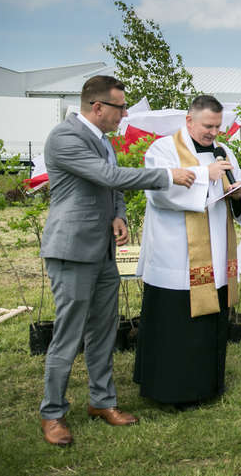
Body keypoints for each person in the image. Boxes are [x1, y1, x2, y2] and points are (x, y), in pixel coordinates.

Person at [39, 75, 196, 446]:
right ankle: (52, 413)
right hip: (72, 250)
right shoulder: (65, 138)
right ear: (97, 107)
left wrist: (119, 215)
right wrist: (166, 175)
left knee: (103, 331)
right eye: (120, 107)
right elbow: (107, 174)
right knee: (69, 334)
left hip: (104, 250)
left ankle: (102, 402)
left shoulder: (103, 141)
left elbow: (110, 188)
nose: (124, 114)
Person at [133, 94, 241, 409]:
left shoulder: (224, 151)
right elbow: (158, 192)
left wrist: (237, 192)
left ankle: (207, 385)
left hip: (214, 250)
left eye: (217, 126)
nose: (213, 132)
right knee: (175, 327)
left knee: (209, 324)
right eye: (207, 126)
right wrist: (205, 176)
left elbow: (236, 184)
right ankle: (171, 391)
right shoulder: (163, 149)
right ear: (189, 120)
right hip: (176, 255)